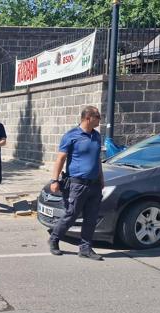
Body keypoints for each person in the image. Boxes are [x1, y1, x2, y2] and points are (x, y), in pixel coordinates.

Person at [48, 106, 105, 261]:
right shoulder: (71, 135)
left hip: (94, 184)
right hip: (77, 184)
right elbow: (60, 158)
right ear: (88, 118)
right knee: (71, 214)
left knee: (91, 218)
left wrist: (101, 178)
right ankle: (54, 239)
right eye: (98, 117)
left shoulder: (97, 136)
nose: (100, 119)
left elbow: (97, 159)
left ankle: (85, 248)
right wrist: (54, 180)